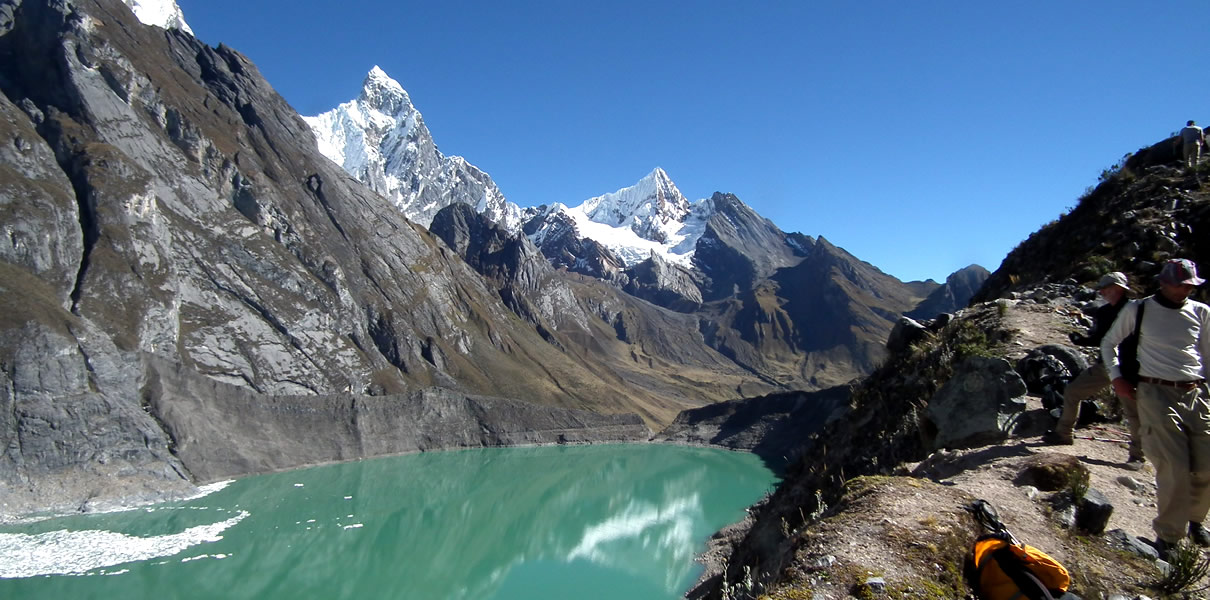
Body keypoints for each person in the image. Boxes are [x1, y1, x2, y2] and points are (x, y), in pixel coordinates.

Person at [1101, 258, 1210, 557]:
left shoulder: (1201, 313)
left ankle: (1195, 520)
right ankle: (1169, 537)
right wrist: (1117, 378)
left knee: (1205, 466)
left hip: (1196, 393)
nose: (1185, 290)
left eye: (1190, 285)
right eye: (1180, 284)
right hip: (1155, 392)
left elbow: (1207, 355)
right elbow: (1109, 343)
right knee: (1173, 466)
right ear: (1163, 282)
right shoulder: (1139, 309)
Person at [1042, 272, 1144, 468]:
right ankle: (1064, 434)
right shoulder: (1110, 311)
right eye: (1102, 289)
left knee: (1133, 411)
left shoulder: (1135, 311)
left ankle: (1138, 455)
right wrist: (1081, 340)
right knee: (1073, 391)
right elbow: (1099, 339)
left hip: (1127, 369)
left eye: (1106, 288)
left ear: (1118, 288)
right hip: (1108, 365)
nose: (1103, 292)